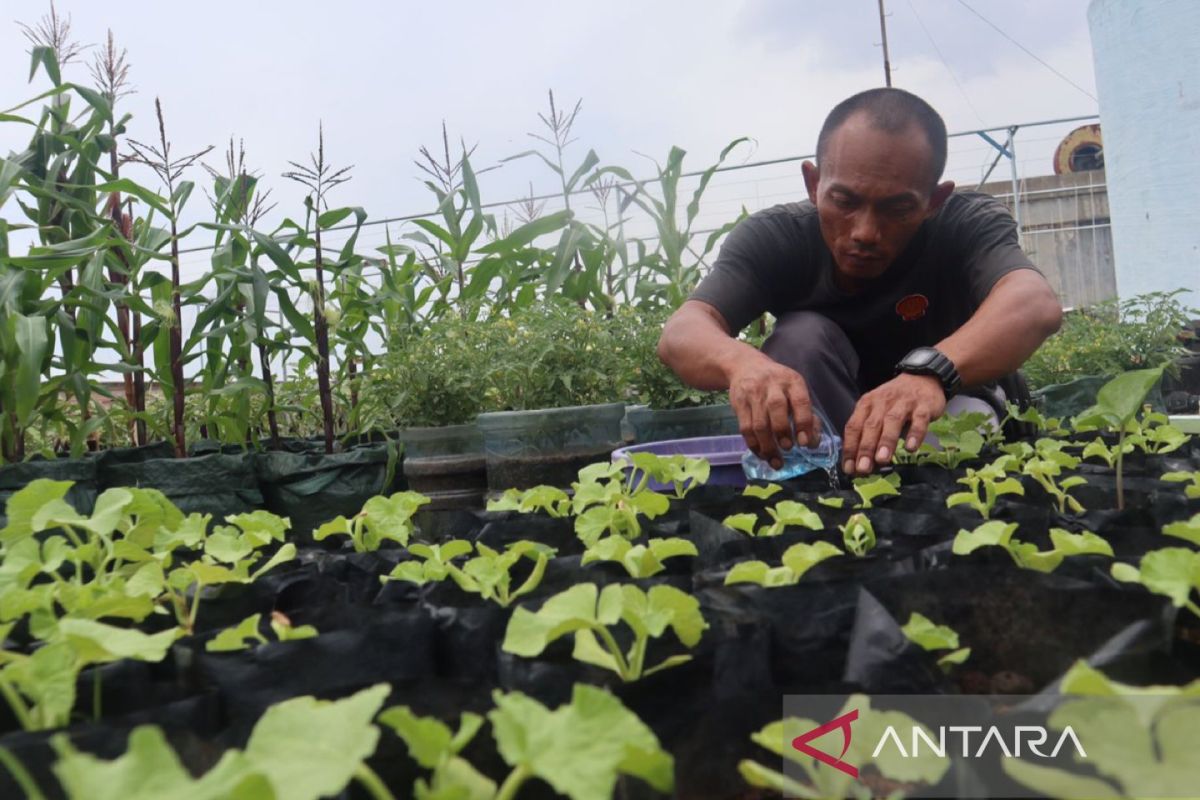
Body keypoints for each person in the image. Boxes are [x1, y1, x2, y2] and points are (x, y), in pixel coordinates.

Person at [657, 87, 1063, 476]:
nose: (866, 232)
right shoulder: (778, 238)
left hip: (949, 412)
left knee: (950, 435)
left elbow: (1032, 303)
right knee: (799, 335)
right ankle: (825, 487)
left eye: (897, 208)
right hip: (834, 425)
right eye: (845, 201)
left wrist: (932, 373)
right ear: (814, 185)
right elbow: (682, 332)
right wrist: (741, 362)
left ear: (933, 202)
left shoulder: (964, 224)